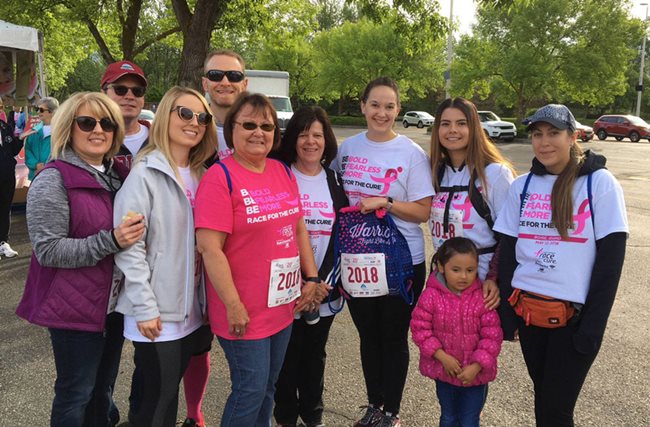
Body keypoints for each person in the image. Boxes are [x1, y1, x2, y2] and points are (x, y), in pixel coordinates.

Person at [194, 92, 329, 426]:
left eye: (266, 126)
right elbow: (210, 248)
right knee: (249, 389)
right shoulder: (220, 177)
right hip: (242, 310)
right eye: (249, 124)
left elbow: (299, 229)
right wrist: (232, 304)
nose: (258, 132)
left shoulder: (281, 171)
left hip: (281, 307)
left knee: (268, 387)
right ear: (232, 130)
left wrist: (311, 278)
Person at [15, 92, 146, 426]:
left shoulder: (118, 174)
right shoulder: (54, 179)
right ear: (68, 128)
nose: (98, 130)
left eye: (107, 123)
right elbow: (49, 250)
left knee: (103, 390)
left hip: (113, 306)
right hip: (73, 308)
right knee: (76, 393)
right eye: (87, 122)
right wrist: (111, 240)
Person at [494, 104, 628, 426]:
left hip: (574, 323)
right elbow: (509, 252)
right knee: (545, 403)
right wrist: (507, 315)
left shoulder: (599, 183)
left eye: (553, 133)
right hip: (529, 316)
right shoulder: (522, 185)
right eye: (537, 134)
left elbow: (610, 264)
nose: (544, 142)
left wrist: (592, 328)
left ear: (572, 136)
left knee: (555, 411)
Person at [329, 77, 434, 427]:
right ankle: (374, 405)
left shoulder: (411, 154)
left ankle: (391, 412)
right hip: (357, 259)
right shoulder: (348, 148)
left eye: (389, 106)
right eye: (375, 104)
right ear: (362, 106)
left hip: (400, 260)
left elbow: (422, 211)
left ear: (398, 110)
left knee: (392, 336)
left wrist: (387, 203)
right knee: (367, 335)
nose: (381, 112)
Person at [112, 86, 217, 427]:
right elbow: (130, 248)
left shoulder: (203, 175)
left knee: (163, 394)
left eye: (202, 117)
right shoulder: (145, 174)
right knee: (157, 404)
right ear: (165, 117)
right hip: (157, 311)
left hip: (190, 310)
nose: (194, 122)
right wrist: (144, 306)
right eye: (184, 113)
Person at [273, 106, 348, 427]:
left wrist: (318, 286)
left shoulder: (334, 180)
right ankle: (286, 416)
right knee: (286, 359)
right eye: (303, 134)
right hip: (287, 289)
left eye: (317, 135)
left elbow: (342, 236)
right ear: (293, 139)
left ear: (326, 140)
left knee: (315, 357)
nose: (310, 141)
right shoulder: (280, 174)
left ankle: (313, 415)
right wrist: (301, 284)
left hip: (324, 290)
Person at [410, 237, 503, 427]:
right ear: (441, 267)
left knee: (470, 420)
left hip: (474, 376)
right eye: (456, 270)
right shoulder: (431, 296)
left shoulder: (482, 297)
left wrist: (477, 366)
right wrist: (442, 357)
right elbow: (420, 329)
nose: (463, 276)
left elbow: (492, 337)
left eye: (470, 270)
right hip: (445, 372)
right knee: (448, 417)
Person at [429, 97, 512, 302]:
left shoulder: (495, 173)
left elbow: (510, 235)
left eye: (461, 123)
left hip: (482, 286)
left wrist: (494, 277)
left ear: (474, 127)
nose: (452, 130)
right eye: (445, 124)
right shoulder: (433, 172)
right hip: (442, 284)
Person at [101, 60, 150, 169]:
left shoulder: (161, 140)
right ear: (103, 93)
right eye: (120, 89)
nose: (130, 96)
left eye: (137, 91)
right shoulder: (88, 140)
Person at [202, 49, 248, 161]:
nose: (225, 83)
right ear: (205, 84)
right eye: (215, 75)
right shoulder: (191, 128)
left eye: (234, 76)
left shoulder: (260, 132)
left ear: (245, 84)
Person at [0, 113, 22, 259]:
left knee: (5, 208)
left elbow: (13, 149)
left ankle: (3, 242)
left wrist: (20, 139)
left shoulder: (4, 126)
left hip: (7, 174)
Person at [23, 96, 59, 180]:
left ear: (52, 111)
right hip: (35, 177)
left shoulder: (61, 132)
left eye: (41, 110)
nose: (38, 112)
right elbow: (27, 151)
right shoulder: (33, 131)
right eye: (37, 109)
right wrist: (36, 165)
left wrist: (47, 167)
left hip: (55, 177)